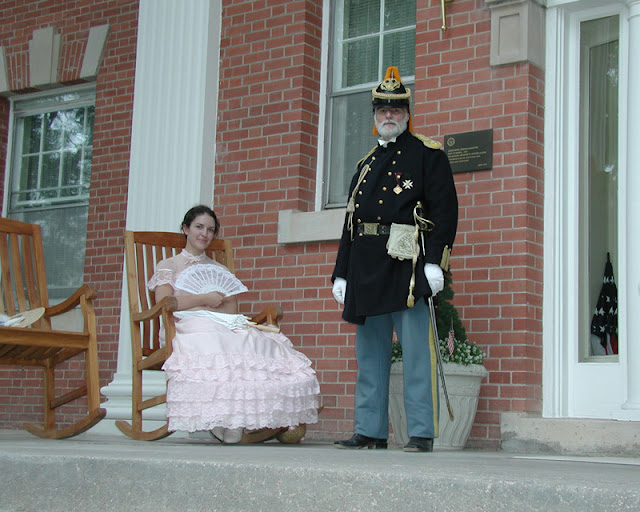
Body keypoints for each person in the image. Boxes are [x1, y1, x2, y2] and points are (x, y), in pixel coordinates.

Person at [331, 66, 458, 452]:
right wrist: (341, 273)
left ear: (407, 112)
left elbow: (445, 210)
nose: (389, 115)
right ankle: (369, 430)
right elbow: (352, 221)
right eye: (383, 109)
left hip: (406, 266)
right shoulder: (365, 165)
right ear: (374, 115)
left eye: (397, 108)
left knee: (416, 353)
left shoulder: (427, 155)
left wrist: (435, 260)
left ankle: (421, 432)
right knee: (370, 353)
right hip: (367, 266)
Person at [148, 205, 320, 444]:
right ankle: (218, 418)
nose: (204, 234)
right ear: (186, 229)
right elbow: (166, 302)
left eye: (210, 230)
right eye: (198, 227)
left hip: (219, 325)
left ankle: (236, 417)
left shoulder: (219, 269)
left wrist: (214, 307)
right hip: (184, 327)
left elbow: (231, 310)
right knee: (213, 337)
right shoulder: (170, 265)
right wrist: (204, 300)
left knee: (255, 340)